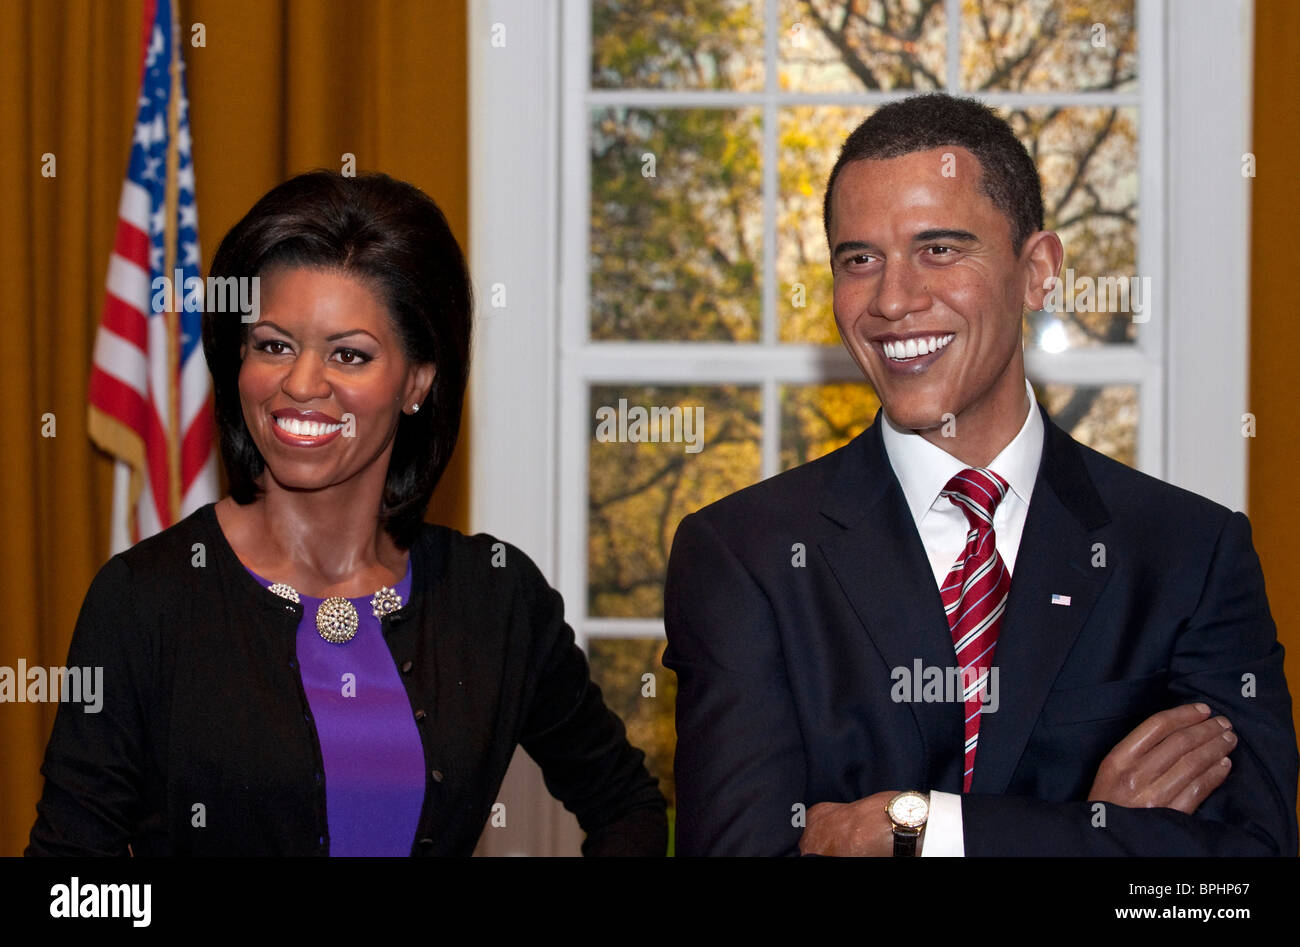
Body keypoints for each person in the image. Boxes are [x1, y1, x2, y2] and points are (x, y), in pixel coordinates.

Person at [663, 93, 1298, 856]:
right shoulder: (745, 557)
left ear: (1037, 272)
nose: (893, 299)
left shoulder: (1189, 554)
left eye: (939, 249)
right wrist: (1093, 831)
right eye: (859, 259)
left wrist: (921, 829)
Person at [28, 170, 667, 856]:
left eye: (349, 355)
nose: (301, 384)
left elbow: (629, 806)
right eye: (273, 344)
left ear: (418, 381)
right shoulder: (145, 599)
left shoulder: (496, 597)